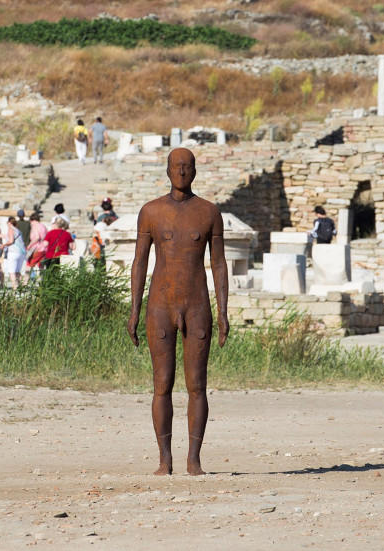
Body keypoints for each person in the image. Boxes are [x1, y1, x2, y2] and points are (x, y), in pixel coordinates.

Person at [127, 148, 229, 475]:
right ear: (167, 170)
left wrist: (224, 311)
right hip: (160, 304)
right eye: (176, 166)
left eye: (187, 167)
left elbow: (219, 264)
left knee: (197, 383)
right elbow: (140, 262)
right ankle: (164, 459)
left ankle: (194, 459)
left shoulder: (209, 213)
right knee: (162, 383)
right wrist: (134, 309)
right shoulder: (151, 212)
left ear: (195, 171)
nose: (182, 172)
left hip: (197, 304)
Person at [0, 218, 28, 289]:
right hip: (22, 252)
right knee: (17, 271)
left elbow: (11, 240)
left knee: (11, 271)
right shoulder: (18, 230)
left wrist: (4, 245)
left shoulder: (11, 229)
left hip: (14, 252)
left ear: (9, 223)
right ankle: (22, 285)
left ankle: (15, 287)